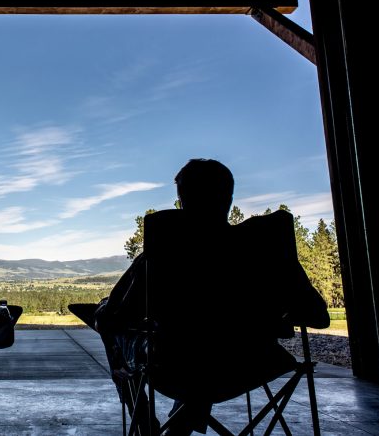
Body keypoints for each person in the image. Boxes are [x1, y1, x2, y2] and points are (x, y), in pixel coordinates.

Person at [94, 159, 330, 436]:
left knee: (118, 326)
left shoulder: (162, 256)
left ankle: (146, 424)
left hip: (175, 367)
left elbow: (118, 316)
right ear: (229, 197)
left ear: (181, 201)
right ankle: (180, 426)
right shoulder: (270, 254)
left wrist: (103, 312)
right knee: (208, 346)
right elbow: (318, 317)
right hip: (254, 363)